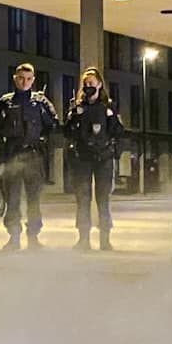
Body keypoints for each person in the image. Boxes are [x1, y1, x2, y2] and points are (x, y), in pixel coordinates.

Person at [0, 62, 59, 250]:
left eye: (28, 79)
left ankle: (33, 237)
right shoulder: (5, 101)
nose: (24, 82)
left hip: (33, 156)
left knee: (33, 200)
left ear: (33, 80)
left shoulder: (41, 102)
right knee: (12, 199)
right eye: (21, 78)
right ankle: (13, 237)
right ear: (15, 78)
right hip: (12, 155)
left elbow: (54, 124)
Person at [64, 66, 121, 250]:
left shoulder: (108, 107)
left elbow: (119, 131)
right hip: (82, 158)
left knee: (103, 199)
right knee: (83, 198)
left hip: (103, 157)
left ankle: (105, 239)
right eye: (85, 84)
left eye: (92, 83)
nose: (88, 86)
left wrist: (111, 118)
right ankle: (83, 239)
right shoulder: (77, 107)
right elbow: (67, 131)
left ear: (99, 84)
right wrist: (72, 117)